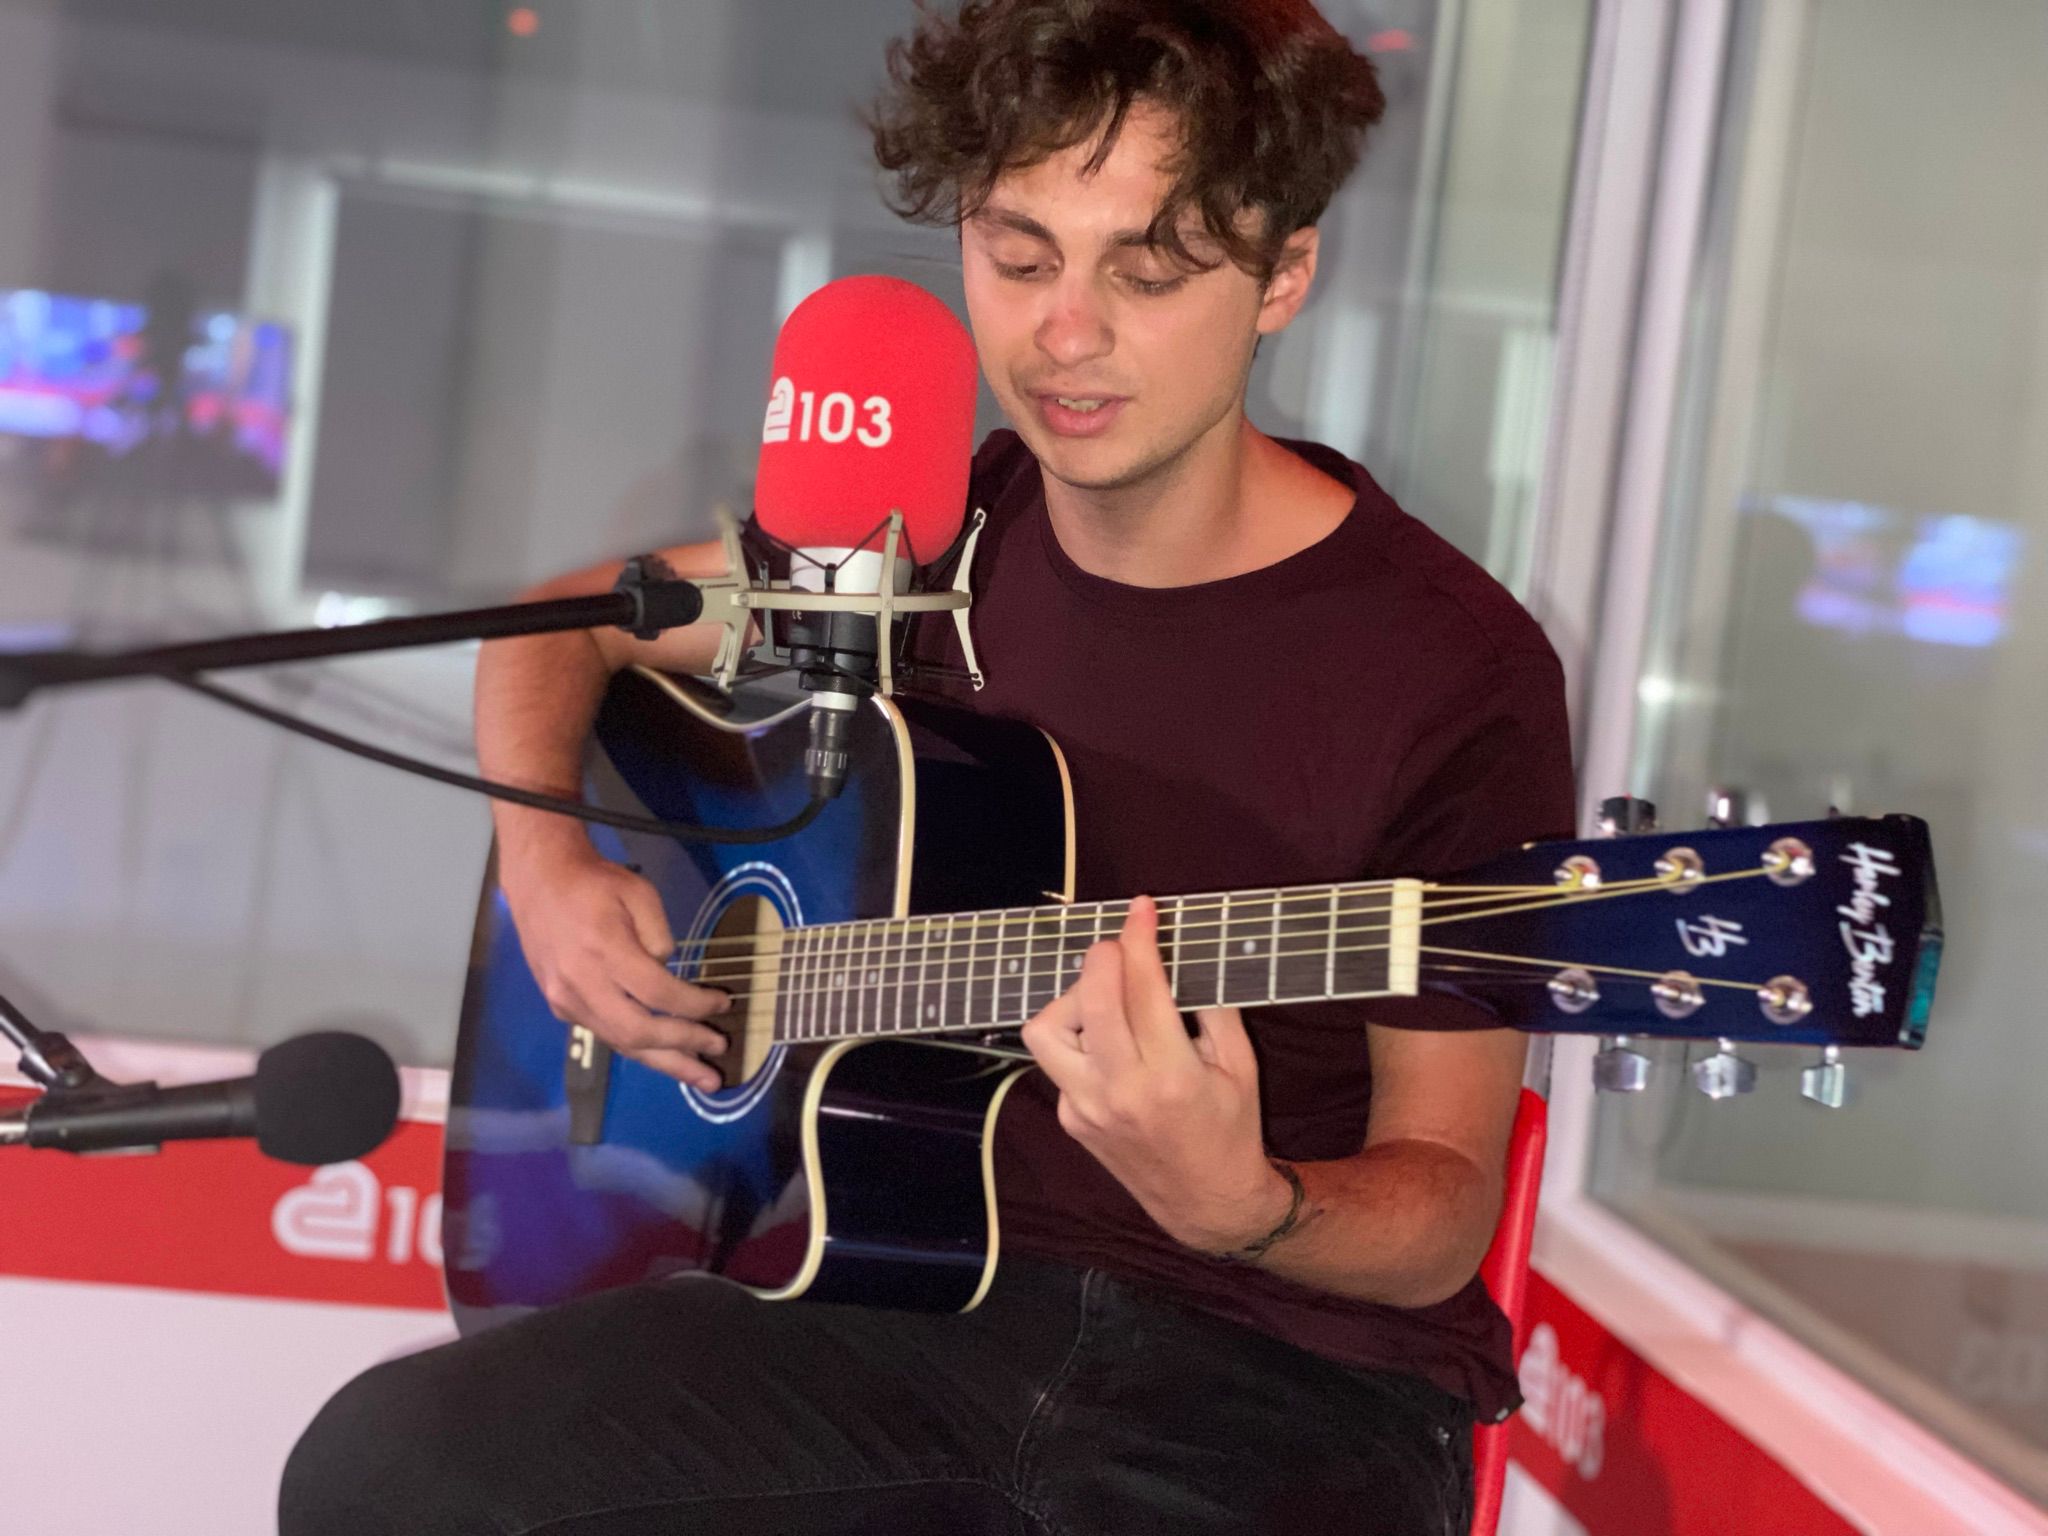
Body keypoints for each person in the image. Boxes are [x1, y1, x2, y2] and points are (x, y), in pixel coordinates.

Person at [280, 2, 1575, 1531]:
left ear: (1283, 275)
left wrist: (1252, 1205)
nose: (1065, 333)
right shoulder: (934, 541)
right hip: (895, 1291)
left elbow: (1440, 1205)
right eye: (1019, 258)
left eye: (1146, 270)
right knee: (387, 1470)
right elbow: (568, 627)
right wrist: (551, 863)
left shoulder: (1450, 667)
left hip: (1271, 1373)